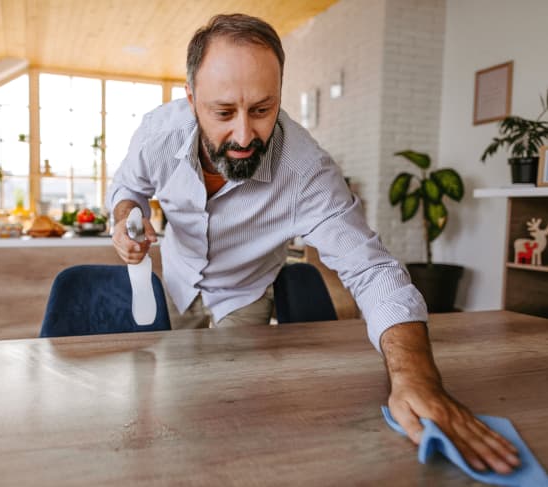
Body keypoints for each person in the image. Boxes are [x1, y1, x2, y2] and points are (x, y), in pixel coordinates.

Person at [108, 13, 520, 475]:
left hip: (244, 295)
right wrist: (125, 219)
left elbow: (372, 270)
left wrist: (417, 378)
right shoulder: (157, 134)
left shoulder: (307, 170)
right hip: (177, 282)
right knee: (173, 404)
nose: (244, 136)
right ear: (191, 100)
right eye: (223, 112)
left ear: (280, 95)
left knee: (232, 415)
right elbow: (128, 187)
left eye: (262, 110)